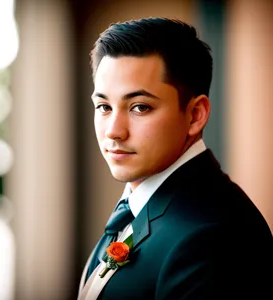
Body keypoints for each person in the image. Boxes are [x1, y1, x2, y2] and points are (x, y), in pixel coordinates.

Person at [78, 17, 273, 300]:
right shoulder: (144, 205)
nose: (113, 131)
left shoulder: (210, 237)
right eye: (104, 106)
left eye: (140, 107)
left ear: (195, 115)